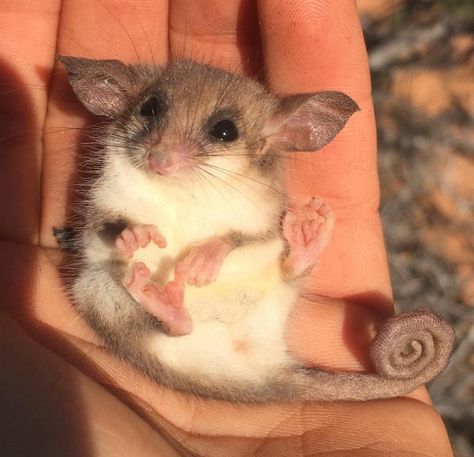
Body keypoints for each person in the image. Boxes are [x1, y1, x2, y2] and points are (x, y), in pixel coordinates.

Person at [0, 1, 454, 455]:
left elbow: (248, 232)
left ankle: (192, 307)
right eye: (154, 110)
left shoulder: (253, 183)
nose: (163, 154)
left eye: (221, 132)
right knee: (96, 281)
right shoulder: (122, 161)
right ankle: (179, 313)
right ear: (116, 96)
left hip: (231, 334)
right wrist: (124, 235)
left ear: (269, 140)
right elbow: (107, 220)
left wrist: (220, 246)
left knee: (256, 250)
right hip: (189, 346)